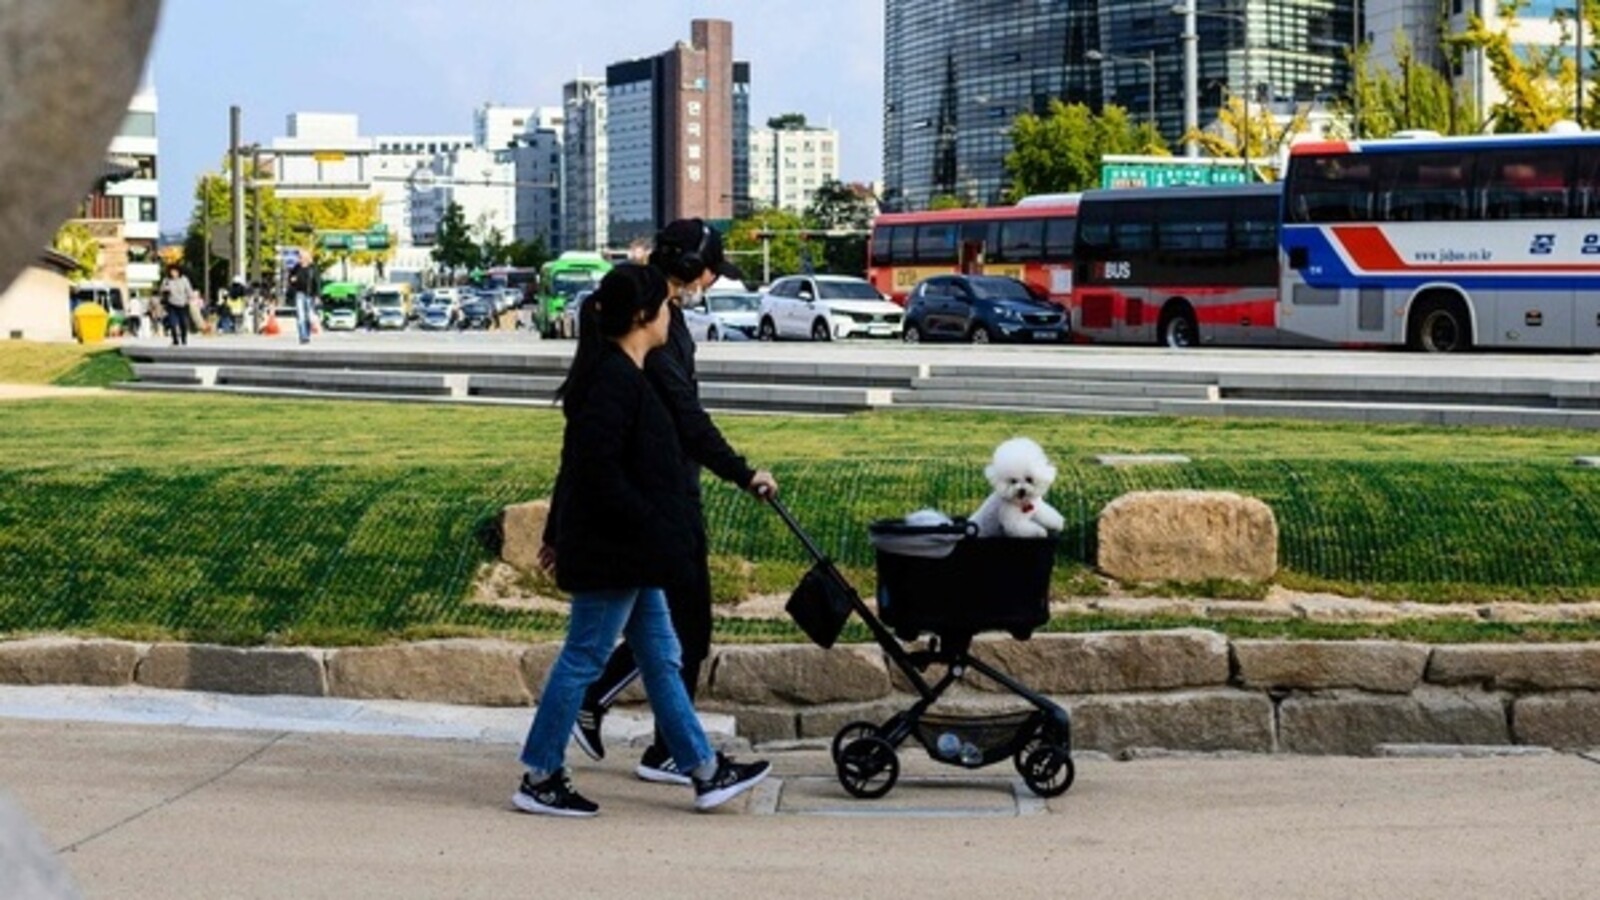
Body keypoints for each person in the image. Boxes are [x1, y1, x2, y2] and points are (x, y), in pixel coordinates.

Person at [513, 263, 770, 817]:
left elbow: (588, 463)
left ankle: (702, 769)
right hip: (617, 549)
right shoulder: (612, 381)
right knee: (583, 657)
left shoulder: (628, 372)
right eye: (664, 306)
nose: (670, 313)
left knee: (663, 655)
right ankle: (539, 773)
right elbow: (593, 470)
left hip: (631, 547)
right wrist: (646, 521)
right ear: (641, 316)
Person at [563, 219, 778, 785]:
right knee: (676, 631)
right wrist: (741, 472)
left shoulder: (648, 314)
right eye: (710, 272)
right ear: (690, 271)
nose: (710, 283)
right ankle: (575, 749)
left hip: (661, 491)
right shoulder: (649, 326)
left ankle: (676, 752)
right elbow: (684, 416)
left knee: (662, 632)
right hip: (657, 499)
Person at [286, 251, 319, 344]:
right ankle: (303, 336)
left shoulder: (312, 268)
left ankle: (307, 335)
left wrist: (317, 295)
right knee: (300, 315)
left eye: (302, 257)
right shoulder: (297, 267)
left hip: (310, 294)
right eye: (300, 257)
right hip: (299, 293)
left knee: (308, 316)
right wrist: (292, 280)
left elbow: (317, 282)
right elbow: (290, 277)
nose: (300, 259)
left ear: (307, 258)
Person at [158, 263, 194, 346]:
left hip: (183, 304)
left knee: (183, 323)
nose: (173, 273)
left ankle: (184, 339)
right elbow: (161, 290)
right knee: (172, 323)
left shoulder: (184, 279)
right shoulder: (167, 280)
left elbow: (189, 290)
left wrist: (190, 298)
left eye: (175, 271)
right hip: (171, 305)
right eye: (172, 272)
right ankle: (175, 340)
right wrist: (165, 289)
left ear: (179, 272)